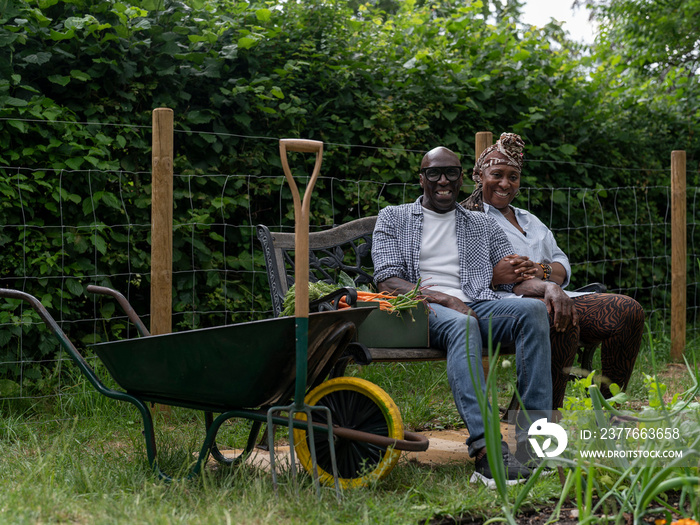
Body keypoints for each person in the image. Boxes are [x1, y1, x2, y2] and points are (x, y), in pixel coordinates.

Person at [371, 145, 553, 486]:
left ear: (461, 177)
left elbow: (515, 273)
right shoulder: (393, 216)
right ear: (421, 178)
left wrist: (548, 288)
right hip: (421, 308)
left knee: (531, 312)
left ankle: (536, 444)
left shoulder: (481, 223)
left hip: (476, 303)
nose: (443, 180)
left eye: (451, 173)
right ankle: (487, 453)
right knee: (462, 323)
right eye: (435, 173)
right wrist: (445, 299)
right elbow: (388, 278)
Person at [462, 133, 645, 409]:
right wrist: (525, 278)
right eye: (497, 174)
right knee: (557, 315)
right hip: (506, 305)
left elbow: (561, 267)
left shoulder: (529, 219)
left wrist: (541, 270)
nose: (505, 183)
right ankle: (541, 416)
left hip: (554, 293)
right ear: (479, 175)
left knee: (627, 311)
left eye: (513, 177)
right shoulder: (469, 218)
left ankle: (607, 408)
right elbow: (495, 276)